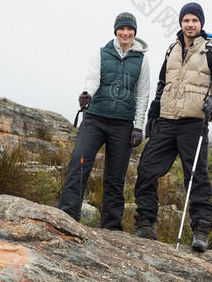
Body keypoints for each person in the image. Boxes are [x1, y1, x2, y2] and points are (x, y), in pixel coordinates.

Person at [132, 2, 212, 252]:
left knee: (196, 176)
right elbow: (161, 85)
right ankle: (146, 223)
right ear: (181, 23)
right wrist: (152, 117)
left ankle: (201, 229)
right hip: (166, 121)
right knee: (146, 169)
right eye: (186, 20)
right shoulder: (171, 50)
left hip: (194, 122)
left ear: (201, 24)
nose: (190, 24)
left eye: (194, 20)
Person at [58, 12, 150, 230]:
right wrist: (86, 94)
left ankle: (111, 227)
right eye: (122, 29)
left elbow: (143, 94)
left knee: (115, 177)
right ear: (116, 31)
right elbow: (93, 79)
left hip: (123, 124)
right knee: (79, 164)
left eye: (130, 29)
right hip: (95, 119)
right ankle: (67, 216)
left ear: (134, 32)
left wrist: (138, 126)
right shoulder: (101, 53)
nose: (125, 33)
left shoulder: (142, 60)